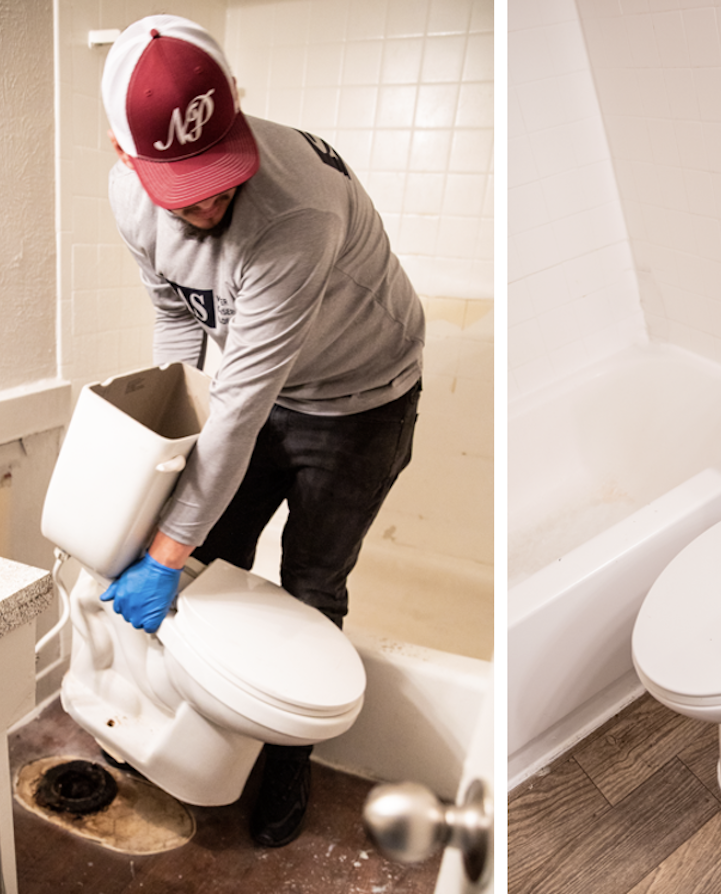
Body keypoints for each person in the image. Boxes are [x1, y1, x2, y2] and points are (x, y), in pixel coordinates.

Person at [96, 15, 425, 848]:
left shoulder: (295, 211)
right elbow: (180, 320)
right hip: (263, 384)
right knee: (216, 559)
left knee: (311, 583)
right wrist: (169, 448)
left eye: (220, 175)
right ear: (123, 154)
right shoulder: (129, 199)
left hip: (360, 399)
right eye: (184, 186)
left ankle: (289, 755)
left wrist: (164, 550)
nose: (209, 201)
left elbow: (241, 409)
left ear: (235, 103)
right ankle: (212, 719)